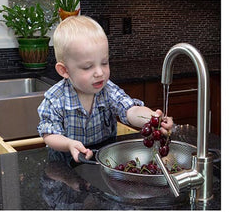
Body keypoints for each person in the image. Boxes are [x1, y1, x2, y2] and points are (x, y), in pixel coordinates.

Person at [37, 15, 173, 162]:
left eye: (104, 63)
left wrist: (152, 119)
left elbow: (129, 110)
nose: (100, 73)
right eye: (88, 67)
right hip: (65, 161)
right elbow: (49, 134)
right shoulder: (55, 99)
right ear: (64, 70)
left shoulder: (107, 90)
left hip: (104, 159)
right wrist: (69, 144)